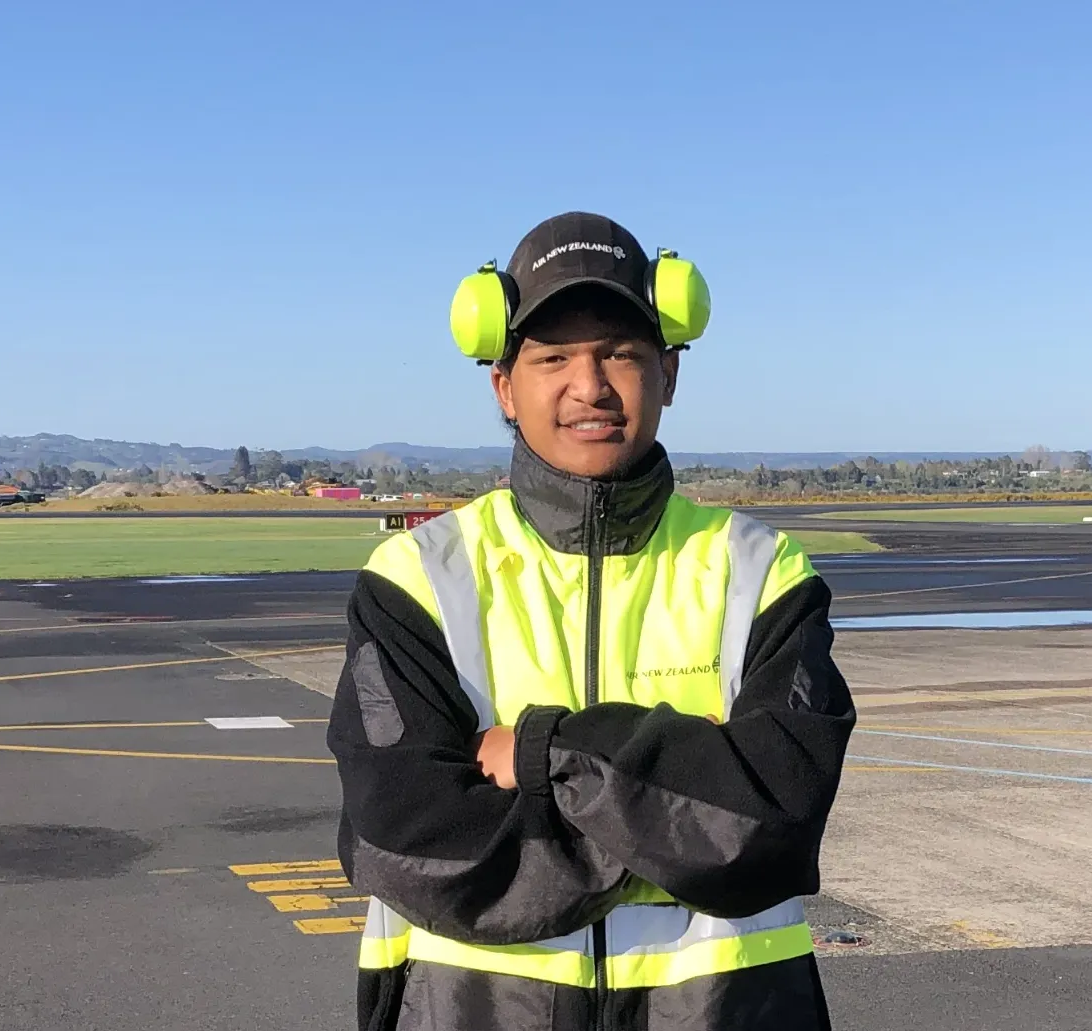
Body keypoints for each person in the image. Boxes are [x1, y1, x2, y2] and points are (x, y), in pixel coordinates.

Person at [328, 211, 855, 1031]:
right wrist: (680, 805)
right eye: (552, 357)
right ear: (503, 385)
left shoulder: (760, 572)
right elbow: (414, 844)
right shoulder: (416, 580)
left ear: (669, 373)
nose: (590, 385)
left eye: (620, 352)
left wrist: (544, 753)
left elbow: (769, 826)